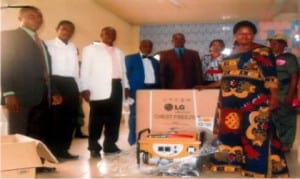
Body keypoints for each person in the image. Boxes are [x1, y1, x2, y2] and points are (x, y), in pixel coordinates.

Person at [209, 20, 289, 177]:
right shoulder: (230, 52)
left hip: (254, 100)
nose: (244, 36)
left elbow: (271, 76)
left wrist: (274, 96)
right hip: (228, 101)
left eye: (248, 33)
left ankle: (257, 169)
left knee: (256, 133)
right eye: (241, 33)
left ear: (253, 35)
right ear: (235, 35)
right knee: (230, 132)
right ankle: (231, 163)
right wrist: (205, 86)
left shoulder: (263, 51)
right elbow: (226, 76)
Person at [1, 6, 61, 173]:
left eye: (39, 16)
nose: (37, 19)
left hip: (42, 94)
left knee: (38, 132)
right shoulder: (9, 36)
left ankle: (37, 166)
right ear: (20, 18)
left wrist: (54, 91)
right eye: (32, 16)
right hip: (19, 95)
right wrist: (8, 92)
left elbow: (46, 70)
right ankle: (17, 168)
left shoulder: (40, 42)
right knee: (19, 133)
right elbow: (4, 64)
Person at [80, 26, 130, 159]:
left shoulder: (119, 52)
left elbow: (123, 71)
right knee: (97, 119)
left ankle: (110, 145)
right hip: (98, 88)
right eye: (106, 33)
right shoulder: (91, 49)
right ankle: (94, 147)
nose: (110, 35)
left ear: (115, 37)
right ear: (101, 35)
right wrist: (84, 88)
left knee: (114, 119)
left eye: (113, 33)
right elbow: (85, 70)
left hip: (117, 86)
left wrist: (126, 87)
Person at [46, 20, 80, 159]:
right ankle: (53, 152)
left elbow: (76, 70)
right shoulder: (48, 45)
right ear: (57, 29)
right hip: (55, 82)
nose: (67, 32)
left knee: (70, 120)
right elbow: (46, 70)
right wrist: (53, 90)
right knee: (56, 120)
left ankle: (64, 150)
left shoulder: (73, 47)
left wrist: (78, 89)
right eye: (64, 29)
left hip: (71, 83)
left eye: (70, 30)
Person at [125, 39, 160, 145]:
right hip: (137, 90)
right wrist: (126, 89)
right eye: (145, 46)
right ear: (140, 46)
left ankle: (149, 137)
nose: (147, 48)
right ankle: (133, 140)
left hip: (153, 90)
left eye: (149, 46)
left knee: (152, 114)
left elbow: (157, 75)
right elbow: (125, 75)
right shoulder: (130, 58)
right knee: (135, 115)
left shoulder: (155, 61)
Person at [268, 34, 299, 152]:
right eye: (271, 43)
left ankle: (287, 143)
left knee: (287, 119)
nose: (271, 45)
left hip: (285, 91)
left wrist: (290, 96)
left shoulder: (289, 58)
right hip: (273, 92)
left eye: (274, 43)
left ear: (282, 44)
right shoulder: (270, 58)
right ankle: (278, 141)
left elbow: (294, 77)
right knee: (275, 118)